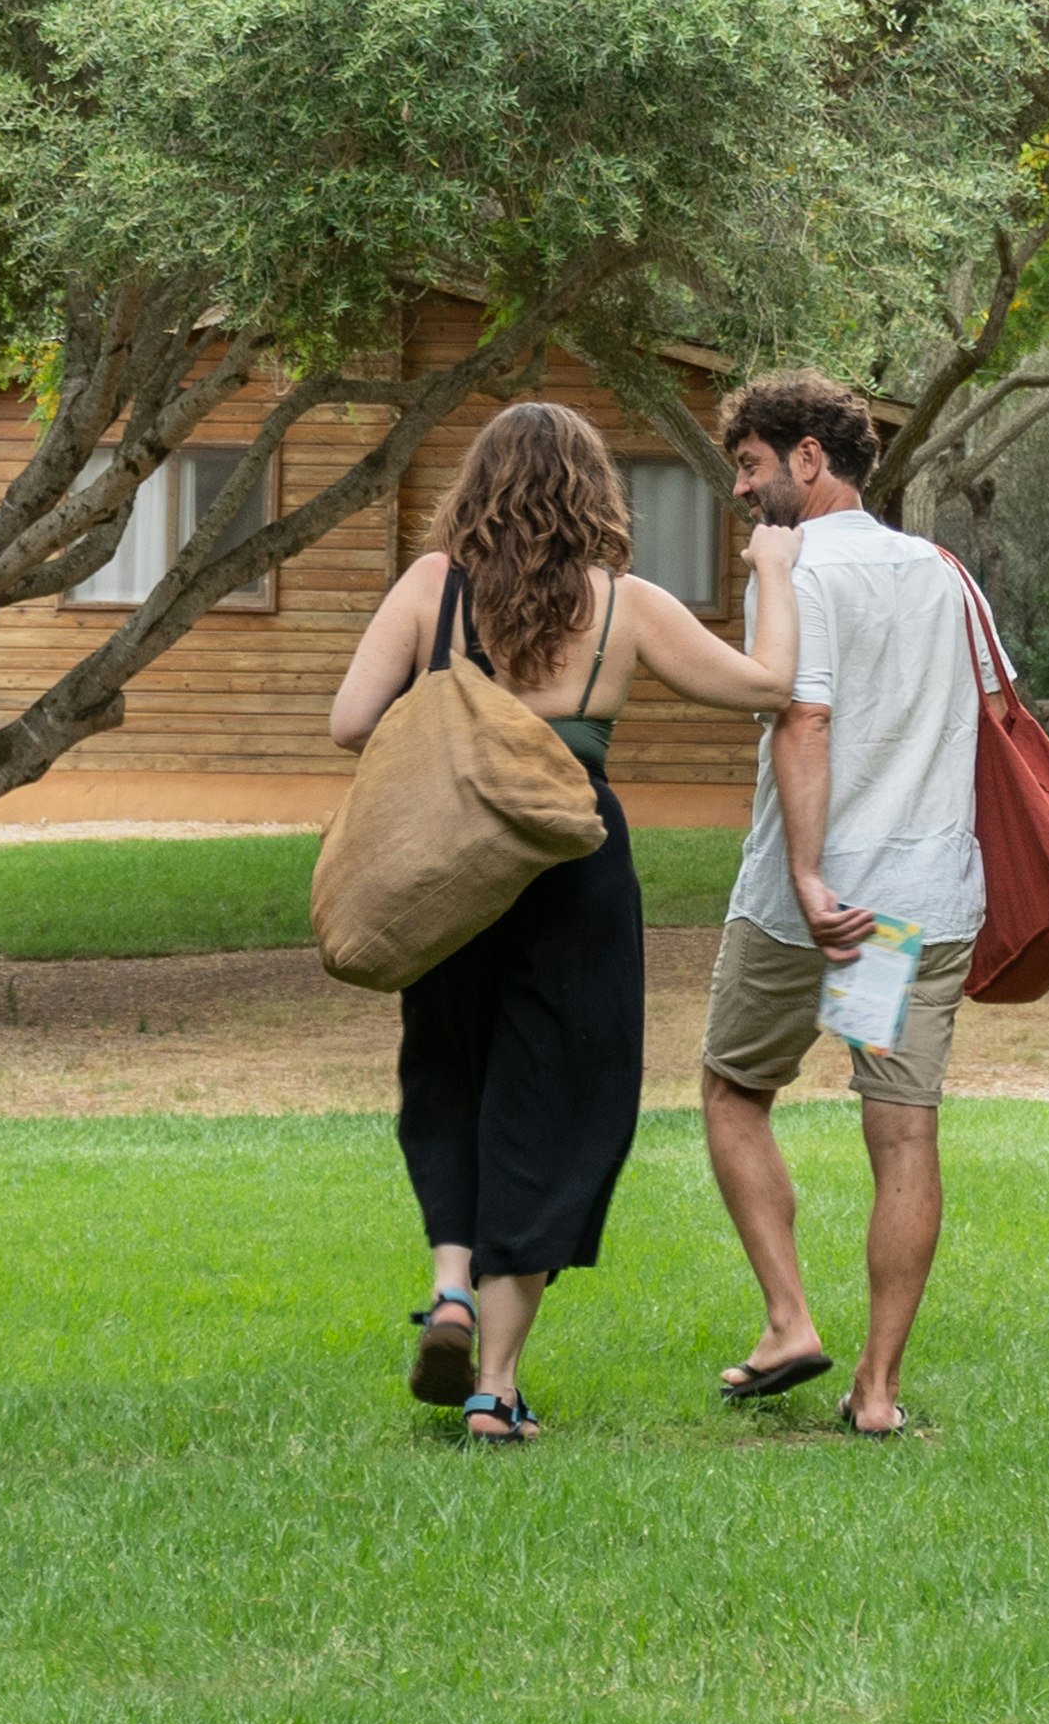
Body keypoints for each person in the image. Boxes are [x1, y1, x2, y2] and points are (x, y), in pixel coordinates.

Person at [331, 400, 804, 1444]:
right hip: (573, 860)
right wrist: (771, 571)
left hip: (450, 864)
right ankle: (493, 1388)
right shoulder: (624, 604)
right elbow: (767, 685)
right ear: (593, 491)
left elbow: (348, 720)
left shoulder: (429, 586)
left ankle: (449, 1281)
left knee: (448, 1068)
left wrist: (451, 700)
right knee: (553, 1106)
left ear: (477, 486)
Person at [699, 370, 1001, 1439]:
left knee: (735, 1088)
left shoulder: (792, 567)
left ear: (808, 459)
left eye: (748, 464)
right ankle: (874, 1389)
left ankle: (788, 1319)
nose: (740, 490)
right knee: (901, 1133)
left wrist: (811, 875)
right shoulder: (943, 571)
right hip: (915, 905)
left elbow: (803, 718)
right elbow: (993, 717)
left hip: (811, 907)